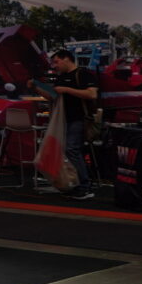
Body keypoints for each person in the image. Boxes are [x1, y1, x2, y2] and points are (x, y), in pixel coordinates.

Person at [45, 49, 99, 199]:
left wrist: (67, 90)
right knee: (68, 151)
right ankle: (73, 183)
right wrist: (35, 87)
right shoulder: (61, 77)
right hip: (63, 119)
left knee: (71, 150)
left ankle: (84, 186)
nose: (55, 66)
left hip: (79, 118)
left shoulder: (83, 74)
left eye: (56, 62)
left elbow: (92, 94)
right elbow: (52, 96)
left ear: (66, 59)